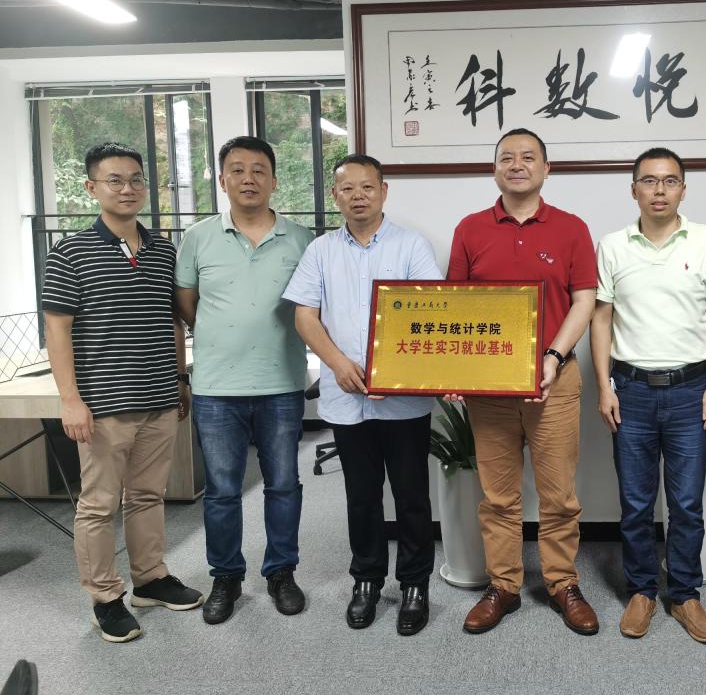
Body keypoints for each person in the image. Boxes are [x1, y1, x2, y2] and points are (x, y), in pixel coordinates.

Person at [42, 142, 202, 643]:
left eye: (136, 179)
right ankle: (105, 597)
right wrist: (71, 400)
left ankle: (150, 579)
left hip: (159, 396)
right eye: (115, 180)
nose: (127, 188)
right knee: (98, 504)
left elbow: (173, 321)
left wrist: (179, 379)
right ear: (92, 188)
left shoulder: (163, 250)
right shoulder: (70, 252)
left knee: (149, 495)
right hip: (104, 404)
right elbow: (57, 330)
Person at [447, 128, 600, 635]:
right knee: (498, 497)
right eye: (507, 157)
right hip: (490, 389)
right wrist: (454, 370)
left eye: (528, 157)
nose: (517, 164)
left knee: (559, 496)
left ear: (546, 169)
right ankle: (504, 586)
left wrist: (554, 355)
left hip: (555, 381)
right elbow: (454, 307)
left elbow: (584, 300)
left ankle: (562, 583)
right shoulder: (470, 228)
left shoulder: (572, 228)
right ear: (494, 169)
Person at [284, 154, 440, 636]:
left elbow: (431, 312)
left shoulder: (411, 245)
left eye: (367, 187)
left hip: (403, 399)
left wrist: (395, 370)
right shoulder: (321, 251)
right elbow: (305, 316)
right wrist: (337, 363)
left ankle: (414, 584)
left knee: (412, 496)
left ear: (383, 191)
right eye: (347, 188)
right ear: (335, 196)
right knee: (361, 496)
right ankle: (367, 579)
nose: (358, 196)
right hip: (346, 394)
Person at [591, 147, 706, 643]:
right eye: (649, 181)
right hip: (630, 390)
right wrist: (604, 385)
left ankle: (685, 595)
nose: (659, 190)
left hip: (691, 390)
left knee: (686, 503)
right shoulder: (613, 245)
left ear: (683, 190)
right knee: (635, 502)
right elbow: (601, 318)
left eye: (670, 181)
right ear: (633, 189)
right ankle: (642, 591)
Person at [175, 136, 313, 625]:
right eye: (237, 170)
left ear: (274, 180)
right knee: (222, 491)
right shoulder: (198, 237)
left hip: (281, 383)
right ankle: (226, 577)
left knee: (283, 484)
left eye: (258, 170)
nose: (248, 178)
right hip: (217, 388)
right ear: (222, 180)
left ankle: (281, 572)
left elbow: (312, 306)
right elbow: (186, 302)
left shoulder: (302, 239)